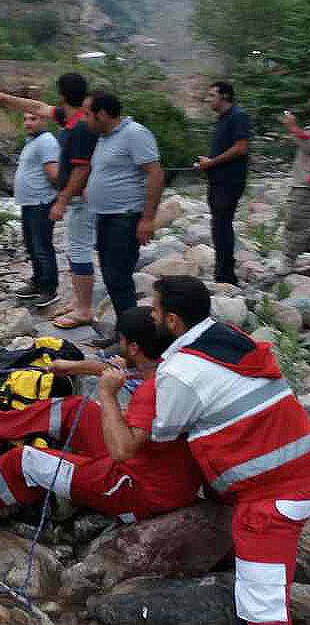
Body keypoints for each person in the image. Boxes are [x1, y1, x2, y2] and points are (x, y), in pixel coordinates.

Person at [0, 306, 203, 526]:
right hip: (150, 467)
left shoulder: (152, 390)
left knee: (25, 461)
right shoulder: (166, 365)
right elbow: (115, 369)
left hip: (137, 489)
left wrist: (108, 394)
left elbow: (121, 449)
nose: (118, 346)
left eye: (121, 341)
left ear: (134, 347)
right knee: (76, 407)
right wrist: (69, 367)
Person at [149, 275, 310, 625]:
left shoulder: (180, 371)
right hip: (298, 465)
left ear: (173, 320)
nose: (151, 316)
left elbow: (164, 433)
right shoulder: (230, 337)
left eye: (155, 309)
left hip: (270, 499)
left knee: (263, 611)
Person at [0, 75, 97, 331]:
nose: (32, 119)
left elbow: (81, 169)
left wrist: (61, 200)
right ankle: (78, 302)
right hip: (69, 199)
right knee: (70, 250)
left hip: (76, 200)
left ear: (63, 96)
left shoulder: (79, 127)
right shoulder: (71, 120)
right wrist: (3, 98)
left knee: (76, 252)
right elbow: (35, 107)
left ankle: (81, 307)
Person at [86, 92, 164, 345]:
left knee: (119, 278)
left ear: (102, 114)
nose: (85, 120)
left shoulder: (135, 134)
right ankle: (124, 333)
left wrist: (147, 218)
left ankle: (134, 341)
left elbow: (155, 174)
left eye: (88, 114)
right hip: (106, 217)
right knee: (111, 277)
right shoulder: (104, 138)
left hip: (125, 217)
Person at [199, 81, 250, 285]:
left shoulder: (238, 116)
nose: (208, 99)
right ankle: (223, 271)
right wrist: (207, 164)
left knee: (222, 225)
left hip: (229, 181)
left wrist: (212, 162)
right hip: (218, 180)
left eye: (212, 95)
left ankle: (226, 276)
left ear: (225, 97)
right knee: (219, 225)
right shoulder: (223, 119)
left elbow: (240, 148)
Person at [12, 111, 61, 307]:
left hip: (41, 202)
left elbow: (53, 173)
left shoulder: (47, 141)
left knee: (42, 247)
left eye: (33, 119)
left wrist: (60, 199)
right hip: (29, 202)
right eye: (25, 119)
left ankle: (49, 288)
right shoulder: (32, 141)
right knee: (32, 245)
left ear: (44, 120)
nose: (28, 123)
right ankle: (38, 281)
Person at [280, 106, 310, 266]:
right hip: (304, 183)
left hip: (305, 186)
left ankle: (289, 260)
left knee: (296, 219)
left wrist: (292, 127)